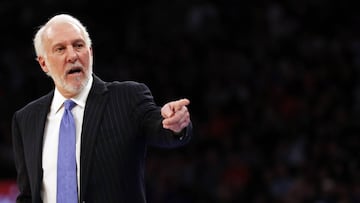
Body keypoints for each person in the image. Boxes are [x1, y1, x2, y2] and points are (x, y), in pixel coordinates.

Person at [11, 13, 192, 203]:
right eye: (60, 49)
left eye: (78, 45)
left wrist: (174, 123)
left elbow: (159, 127)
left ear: (90, 52)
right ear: (43, 63)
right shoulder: (26, 119)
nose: (72, 55)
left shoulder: (127, 98)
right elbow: (28, 194)